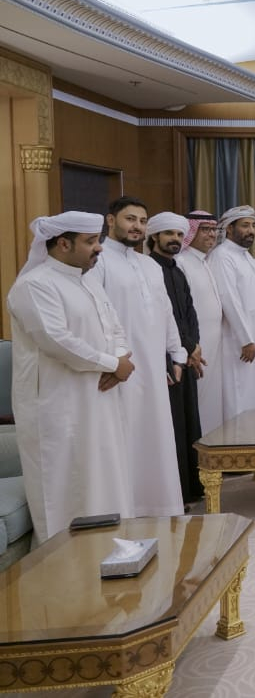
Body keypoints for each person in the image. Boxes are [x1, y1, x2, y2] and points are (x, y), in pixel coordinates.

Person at [7, 212, 135, 542]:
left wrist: (120, 360)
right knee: (66, 486)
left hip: (100, 396)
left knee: (105, 474)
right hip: (58, 404)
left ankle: (113, 548)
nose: (99, 248)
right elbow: (56, 340)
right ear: (63, 244)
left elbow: (115, 327)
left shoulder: (88, 281)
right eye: (90, 242)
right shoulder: (34, 285)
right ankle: (65, 563)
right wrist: (112, 363)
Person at [92, 197, 184, 519]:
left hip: (154, 366)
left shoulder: (149, 265)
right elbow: (96, 314)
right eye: (130, 219)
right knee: (127, 435)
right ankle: (129, 509)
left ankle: (160, 506)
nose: (137, 227)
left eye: (143, 221)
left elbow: (166, 311)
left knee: (156, 434)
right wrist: (114, 360)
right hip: (121, 368)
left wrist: (176, 353)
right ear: (110, 220)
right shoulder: (99, 261)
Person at [146, 211, 205, 506]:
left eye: (180, 234)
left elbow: (189, 311)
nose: (175, 239)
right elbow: (163, 317)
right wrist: (185, 348)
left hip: (186, 356)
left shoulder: (177, 270)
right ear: (155, 236)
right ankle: (176, 492)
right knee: (174, 425)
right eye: (169, 234)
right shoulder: (150, 270)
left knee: (189, 421)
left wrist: (194, 346)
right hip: (167, 358)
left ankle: (193, 487)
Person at [208, 205, 255, 420]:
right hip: (239, 340)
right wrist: (245, 339)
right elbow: (229, 298)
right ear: (229, 229)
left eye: (253, 226)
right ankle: (240, 436)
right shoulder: (222, 256)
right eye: (245, 225)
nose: (251, 231)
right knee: (241, 389)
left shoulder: (246, 256)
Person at [177, 211, 225, 435]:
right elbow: (182, 309)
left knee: (212, 396)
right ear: (191, 231)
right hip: (197, 344)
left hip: (214, 341)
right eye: (205, 229)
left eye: (213, 230)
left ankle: (213, 445)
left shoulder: (204, 261)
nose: (211, 234)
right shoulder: (181, 262)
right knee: (200, 395)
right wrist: (190, 345)